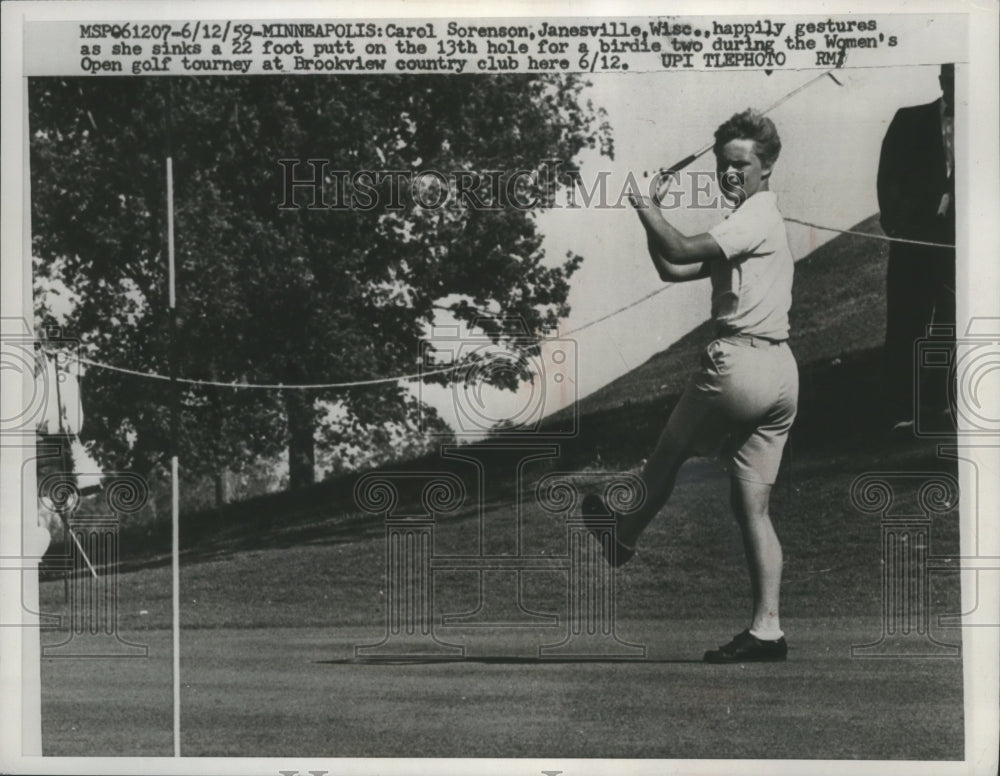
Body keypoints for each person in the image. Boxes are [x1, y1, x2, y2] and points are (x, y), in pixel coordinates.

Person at [583, 108, 798, 663]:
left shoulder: (753, 217)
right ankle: (767, 629)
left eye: (742, 164)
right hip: (780, 376)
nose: (731, 174)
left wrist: (647, 206)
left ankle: (623, 536)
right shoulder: (752, 222)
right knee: (752, 507)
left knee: (669, 453)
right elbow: (672, 269)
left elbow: (678, 248)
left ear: (766, 165)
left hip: (741, 367)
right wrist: (648, 217)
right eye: (724, 165)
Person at [877, 64, 956, 431]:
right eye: (951, 75)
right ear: (941, 78)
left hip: (961, 241)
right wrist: (896, 225)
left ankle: (943, 401)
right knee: (907, 320)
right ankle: (900, 411)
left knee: (955, 318)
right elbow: (888, 176)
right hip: (915, 240)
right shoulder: (910, 121)